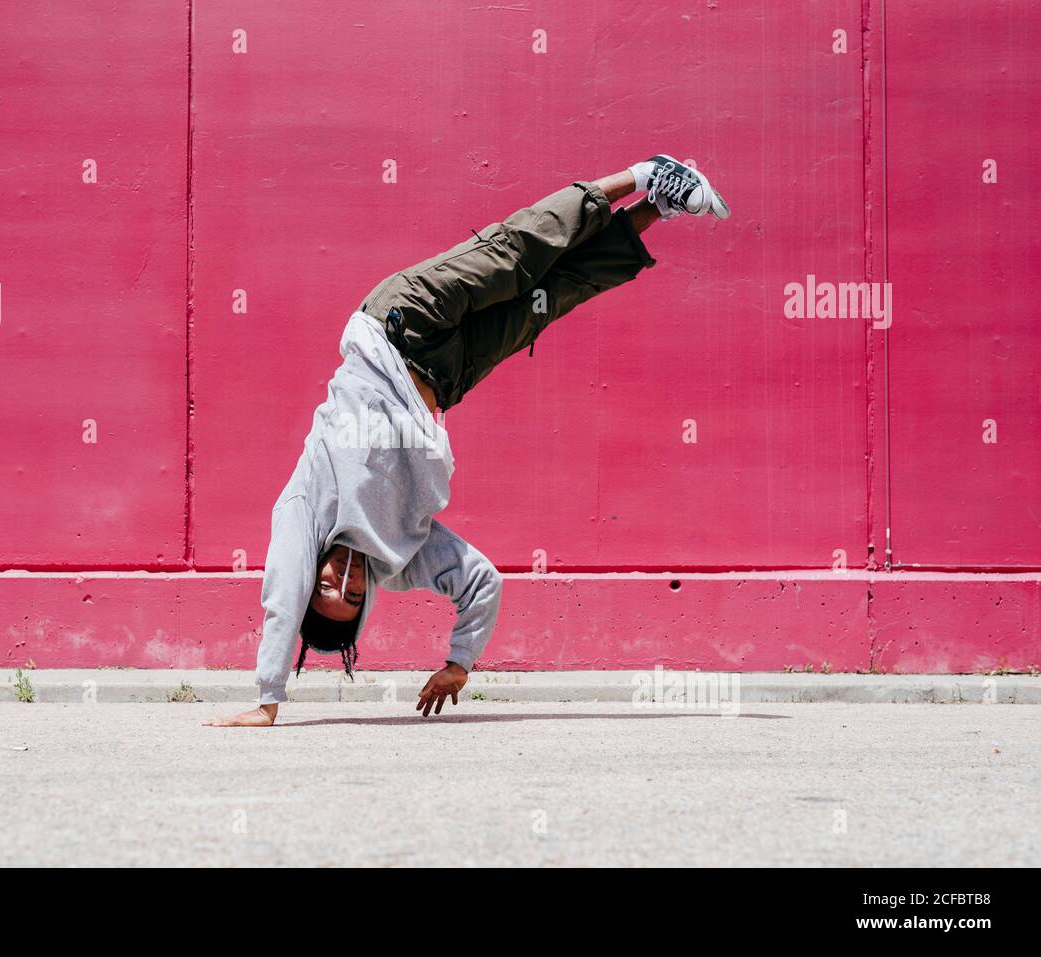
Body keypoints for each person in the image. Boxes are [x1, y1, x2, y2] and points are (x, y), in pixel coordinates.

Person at [205, 156, 730, 726]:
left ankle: (642, 175)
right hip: (448, 376)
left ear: (313, 579)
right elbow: (480, 580)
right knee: (551, 296)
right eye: (352, 596)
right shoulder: (400, 559)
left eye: (326, 586)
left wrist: (268, 699)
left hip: (397, 326)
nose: (344, 580)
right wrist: (460, 663)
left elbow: (281, 599)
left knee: (514, 256)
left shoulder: (306, 512)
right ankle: (662, 205)